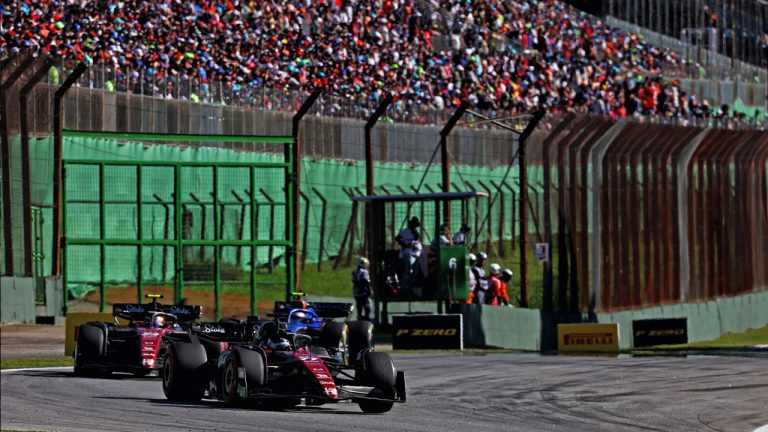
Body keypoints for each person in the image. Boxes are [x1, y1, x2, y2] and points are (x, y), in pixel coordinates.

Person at [395, 216, 423, 295]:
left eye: (415, 224)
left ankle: (409, 287)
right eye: (413, 224)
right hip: (408, 253)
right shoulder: (406, 231)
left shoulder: (415, 232)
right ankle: (403, 288)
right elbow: (397, 238)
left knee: (414, 272)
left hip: (416, 253)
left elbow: (416, 240)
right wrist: (405, 244)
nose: (414, 225)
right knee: (408, 271)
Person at [352, 256, 373, 321]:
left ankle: (359, 319)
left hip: (356, 293)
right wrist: (370, 291)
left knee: (359, 308)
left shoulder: (354, 272)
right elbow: (366, 281)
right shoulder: (364, 272)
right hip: (364, 293)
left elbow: (353, 281)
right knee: (367, 307)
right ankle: (367, 320)